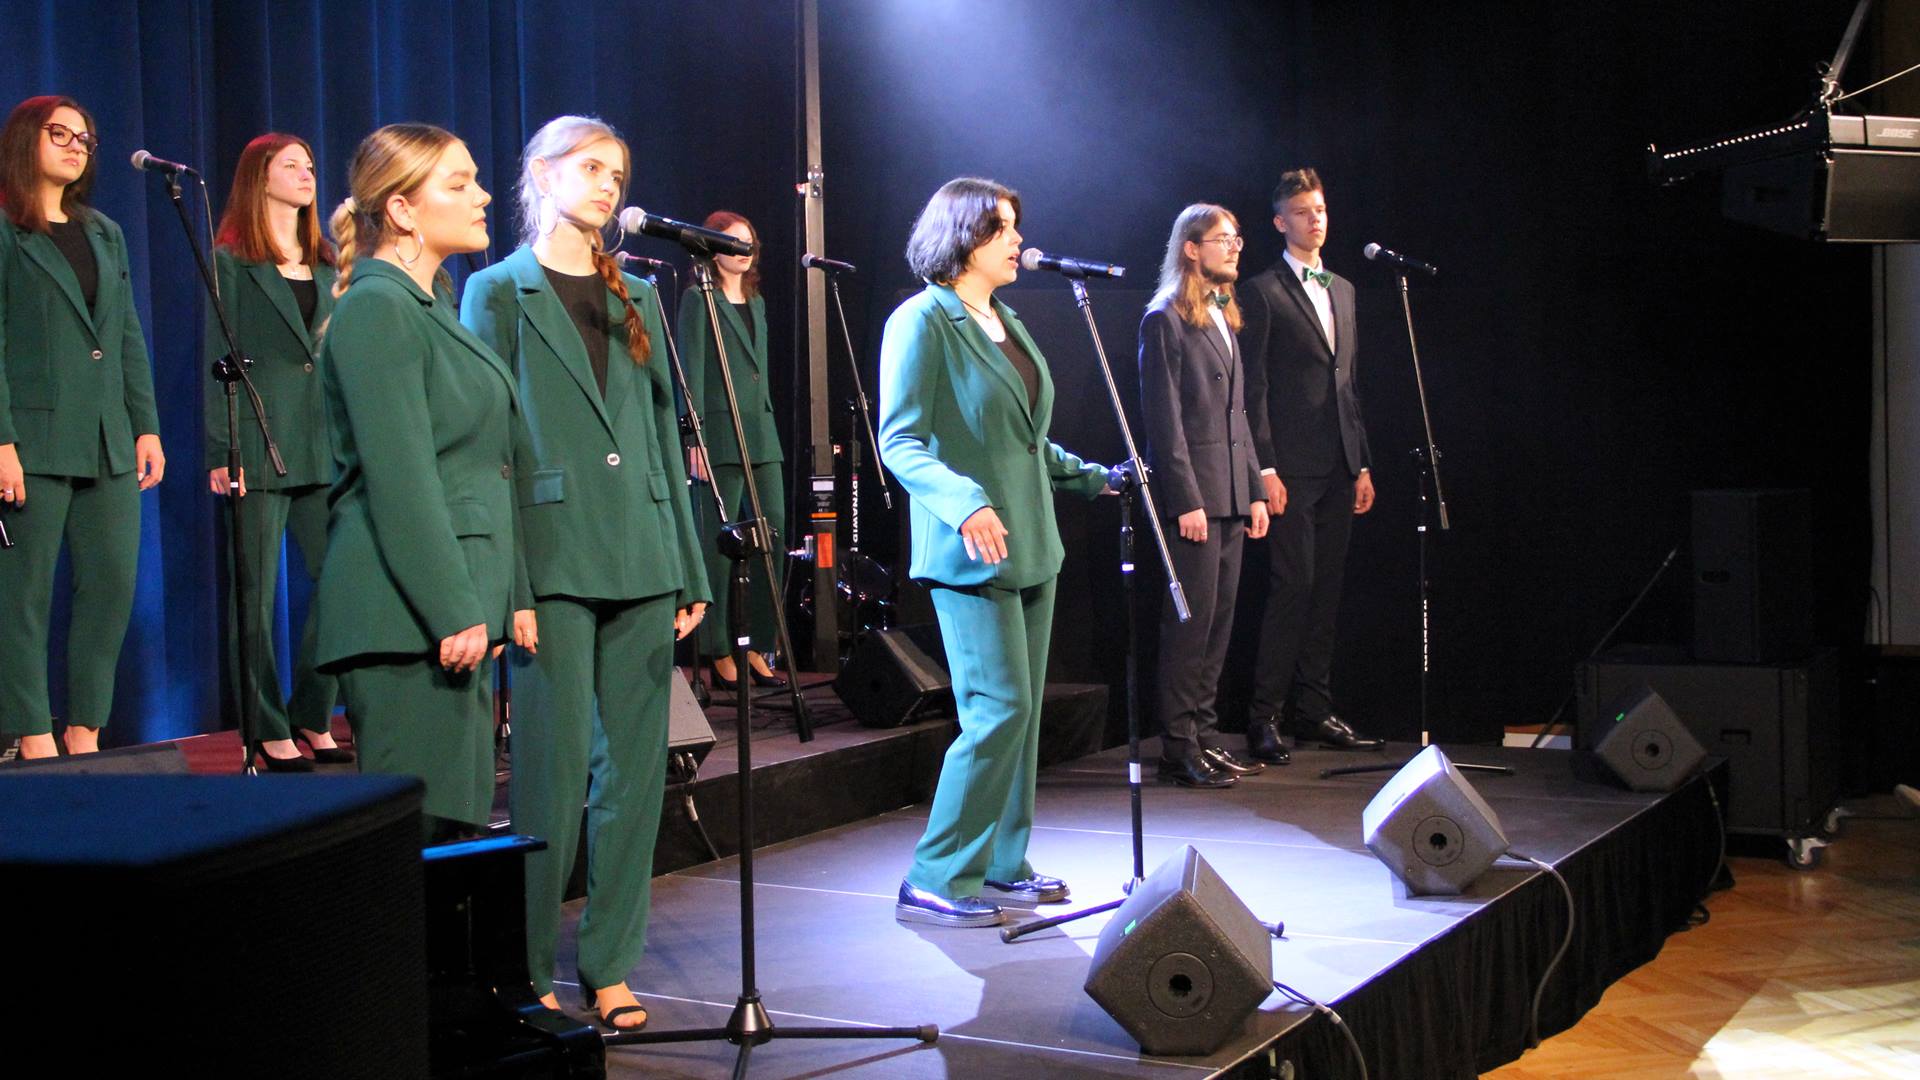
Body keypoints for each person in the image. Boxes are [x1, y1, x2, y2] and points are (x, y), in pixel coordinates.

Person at [463, 114, 710, 1032]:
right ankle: (529, 966)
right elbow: (487, 446)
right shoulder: (496, 290)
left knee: (636, 778)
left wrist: (690, 566)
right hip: (553, 560)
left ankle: (609, 964)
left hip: (643, 552)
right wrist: (510, 585)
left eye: (618, 172)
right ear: (542, 174)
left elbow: (659, 436)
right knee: (551, 776)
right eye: (592, 168)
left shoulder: (636, 293)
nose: (608, 185)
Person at [879, 177, 1111, 927]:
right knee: (996, 710)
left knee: (1024, 714)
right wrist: (964, 501)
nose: (1018, 240)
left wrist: (1095, 477)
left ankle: (1004, 863)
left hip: (1032, 543)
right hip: (969, 550)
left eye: (1015, 225)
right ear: (962, 237)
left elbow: (1025, 440)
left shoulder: (1006, 320)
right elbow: (900, 441)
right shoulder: (922, 321)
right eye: (1001, 228)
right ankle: (936, 874)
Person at [312, 123, 532, 836]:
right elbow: (400, 478)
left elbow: (483, 467)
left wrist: (506, 597)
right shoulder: (375, 308)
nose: (483, 196)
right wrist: (454, 608)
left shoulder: (424, 306)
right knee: (423, 843)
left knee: (453, 836)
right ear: (402, 209)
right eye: (459, 183)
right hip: (406, 621)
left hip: (444, 615)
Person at [0, 95, 165, 759]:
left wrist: (144, 424)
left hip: (107, 437)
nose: (76, 146)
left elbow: (124, 332)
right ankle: (33, 737)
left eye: (85, 139)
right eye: (60, 134)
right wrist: (1, 441)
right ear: (25, 140)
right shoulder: (6, 230)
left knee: (111, 587)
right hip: (32, 441)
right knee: (23, 596)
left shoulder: (104, 232)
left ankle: (85, 733)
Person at [204, 132, 351, 772]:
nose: (306, 173)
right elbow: (218, 356)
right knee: (255, 596)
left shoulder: (328, 261)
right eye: (290, 164)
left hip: (324, 441)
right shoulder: (232, 262)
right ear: (258, 177)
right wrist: (222, 447)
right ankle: (264, 726)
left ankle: (313, 711)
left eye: (310, 164)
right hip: (259, 440)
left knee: (344, 579)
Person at [1239, 168, 1385, 753]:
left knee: (1326, 590)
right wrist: (1265, 467)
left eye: (1320, 210)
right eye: (1302, 212)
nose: (1314, 220)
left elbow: (1349, 384)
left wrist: (1362, 462)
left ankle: (1314, 709)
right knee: (1292, 587)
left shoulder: (1343, 289)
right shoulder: (1263, 290)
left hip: (1340, 463)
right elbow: (1254, 388)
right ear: (1281, 222)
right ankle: (1264, 715)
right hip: (1291, 467)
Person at [1138, 203, 1271, 788]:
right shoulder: (1164, 319)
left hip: (1231, 493)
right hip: (1197, 497)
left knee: (1218, 623)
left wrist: (1255, 490)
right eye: (1222, 239)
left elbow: (1237, 417)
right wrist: (1185, 498)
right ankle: (1178, 744)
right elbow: (1164, 422)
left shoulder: (1222, 315)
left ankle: (1206, 734)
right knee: (1190, 627)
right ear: (1191, 248)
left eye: (1237, 238)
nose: (1235, 248)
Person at [677, 210, 786, 691]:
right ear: (712, 248)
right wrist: (694, 440)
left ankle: (758, 645)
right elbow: (691, 373)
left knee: (772, 534)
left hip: (761, 433)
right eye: (733, 242)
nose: (743, 250)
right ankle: (719, 649)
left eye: (748, 242)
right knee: (719, 545)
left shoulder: (756, 302)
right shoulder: (698, 299)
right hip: (719, 435)